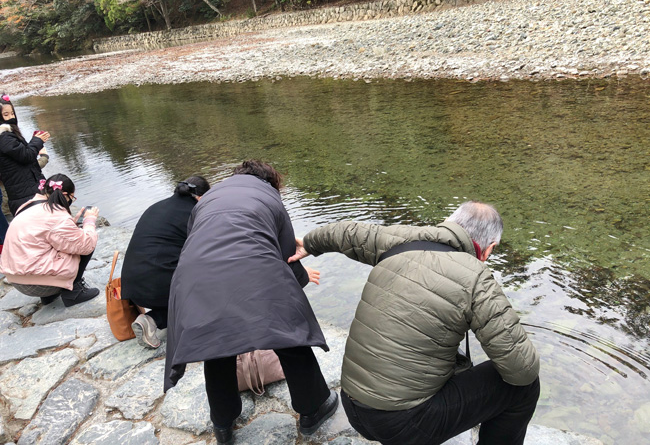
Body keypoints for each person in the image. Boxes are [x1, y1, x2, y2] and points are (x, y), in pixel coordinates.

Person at [290, 201, 541, 445]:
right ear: (488, 249)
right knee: (525, 388)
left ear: (451, 222)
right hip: (404, 425)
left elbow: (346, 233)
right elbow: (521, 370)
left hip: (353, 405)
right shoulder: (476, 277)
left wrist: (309, 244)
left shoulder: (402, 238)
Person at [164, 160, 338, 445]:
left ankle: (223, 424)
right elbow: (287, 258)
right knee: (289, 334)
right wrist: (303, 279)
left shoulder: (208, 198)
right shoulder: (271, 197)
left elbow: (200, 242)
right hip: (253, 268)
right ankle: (313, 408)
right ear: (273, 182)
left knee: (216, 344)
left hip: (193, 277)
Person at [121, 176, 211, 349]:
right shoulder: (195, 214)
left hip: (131, 286)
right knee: (208, 287)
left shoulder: (156, 206)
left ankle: (150, 319)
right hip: (156, 288)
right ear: (201, 197)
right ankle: (154, 319)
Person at [0, 173, 100, 307]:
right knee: (87, 239)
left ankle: (49, 297)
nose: (71, 200)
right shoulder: (56, 215)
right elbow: (85, 245)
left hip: (16, 280)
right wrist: (89, 220)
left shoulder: (26, 207)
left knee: (59, 244)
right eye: (72, 197)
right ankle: (73, 293)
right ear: (64, 194)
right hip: (41, 284)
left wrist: (72, 225)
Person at [0, 94, 51, 216]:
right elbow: (26, 156)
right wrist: (37, 141)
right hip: (24, 194)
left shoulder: (8, 134)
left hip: (25, 190)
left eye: (12, 113)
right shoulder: (4, 136)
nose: (11, 117)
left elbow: (22, 155)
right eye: (6, 115)